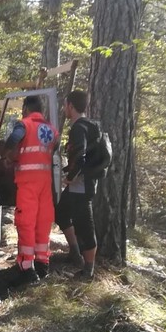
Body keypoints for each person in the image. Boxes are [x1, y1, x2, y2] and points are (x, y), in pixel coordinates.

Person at [2, 95, 60, 284]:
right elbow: (54, 146)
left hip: (28, 183)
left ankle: (27, 268)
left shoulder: (24, 125)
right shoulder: (51, 129)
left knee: (26, 223)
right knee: (43, 223)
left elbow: (14, 139)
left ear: (26, 108)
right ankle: (43, 263)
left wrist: (7, 154)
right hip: (45, 184)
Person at [55, 90, 99, 280]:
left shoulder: (79, 128)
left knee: (85, 226)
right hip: (80, 185)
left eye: (65, 105)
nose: (65, 108)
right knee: (61, 213)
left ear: (71, 106)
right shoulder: (88, 126)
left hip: (82, 186)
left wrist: (71, 176)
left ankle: (88, 271)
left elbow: (80, 154)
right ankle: (75, 254)